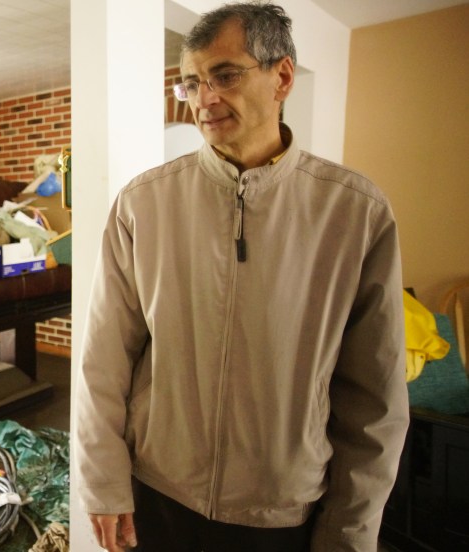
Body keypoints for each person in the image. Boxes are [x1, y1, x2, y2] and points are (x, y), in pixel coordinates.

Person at [73, 2, 409, 551]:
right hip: (160, 492)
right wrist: (104, 482)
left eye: (225, 75)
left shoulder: (355, 212)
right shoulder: (143, 203)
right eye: (191, 83)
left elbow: (375, 397)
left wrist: (349, 531)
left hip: (283, 510)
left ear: (282, 77)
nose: (204, 99)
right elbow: (104, 359)